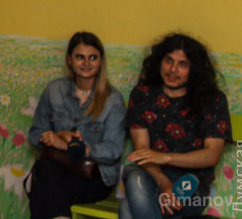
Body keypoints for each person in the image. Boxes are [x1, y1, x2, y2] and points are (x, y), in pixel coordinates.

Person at [120, 34, 231, 219]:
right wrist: (163, 181)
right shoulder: (142, 95)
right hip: (151, 174)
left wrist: (166, 157)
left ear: (194, 69)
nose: (173, 69)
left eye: (183, 64)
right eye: (169, 60)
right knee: (133, 176)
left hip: (191, 183)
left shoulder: (213, 100)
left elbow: (212, 155)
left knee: (127, 208)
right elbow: (142, 152)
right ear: (160, 61)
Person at [27, 32, 127, 219]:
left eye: (93, 58)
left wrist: (74, 147)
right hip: (58, 170)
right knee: (47, 172)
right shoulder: (54, 90)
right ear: (69, 60)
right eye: (80, 57)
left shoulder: (113, 99)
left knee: (45, 184)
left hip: (95, 177)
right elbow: (35, 135)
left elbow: (113, 150)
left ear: (101, 61)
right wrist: (56, 137)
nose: (86, 63)